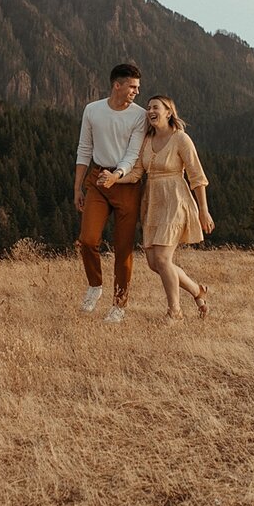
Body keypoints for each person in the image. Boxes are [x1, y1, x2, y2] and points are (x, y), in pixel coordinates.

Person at [75, 63, 148, 323]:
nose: (137, 92)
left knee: (123, 248)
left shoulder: (140, 116)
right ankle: (95, 286)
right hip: (97, 180)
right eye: (132, 86)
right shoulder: (92, 110)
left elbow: (133, 153)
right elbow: (84, 148)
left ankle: (119, 304)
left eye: (138, 87)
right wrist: (78, 187)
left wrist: (116, 175)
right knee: (88, 240)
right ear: (117, 85)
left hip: (125, 184)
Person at [135, 95, 215, 324]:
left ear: (169, 112)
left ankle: (175, 312)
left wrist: (203, 210)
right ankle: (197, 291)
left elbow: (197, 177)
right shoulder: (146, 140)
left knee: (162, 258)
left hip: (175, 200)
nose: (150, 111)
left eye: (155, 107)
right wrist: (114, 179)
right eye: (148, 107)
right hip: (152, 203)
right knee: (154, 263)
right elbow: (137, 172)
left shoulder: (181, 139)